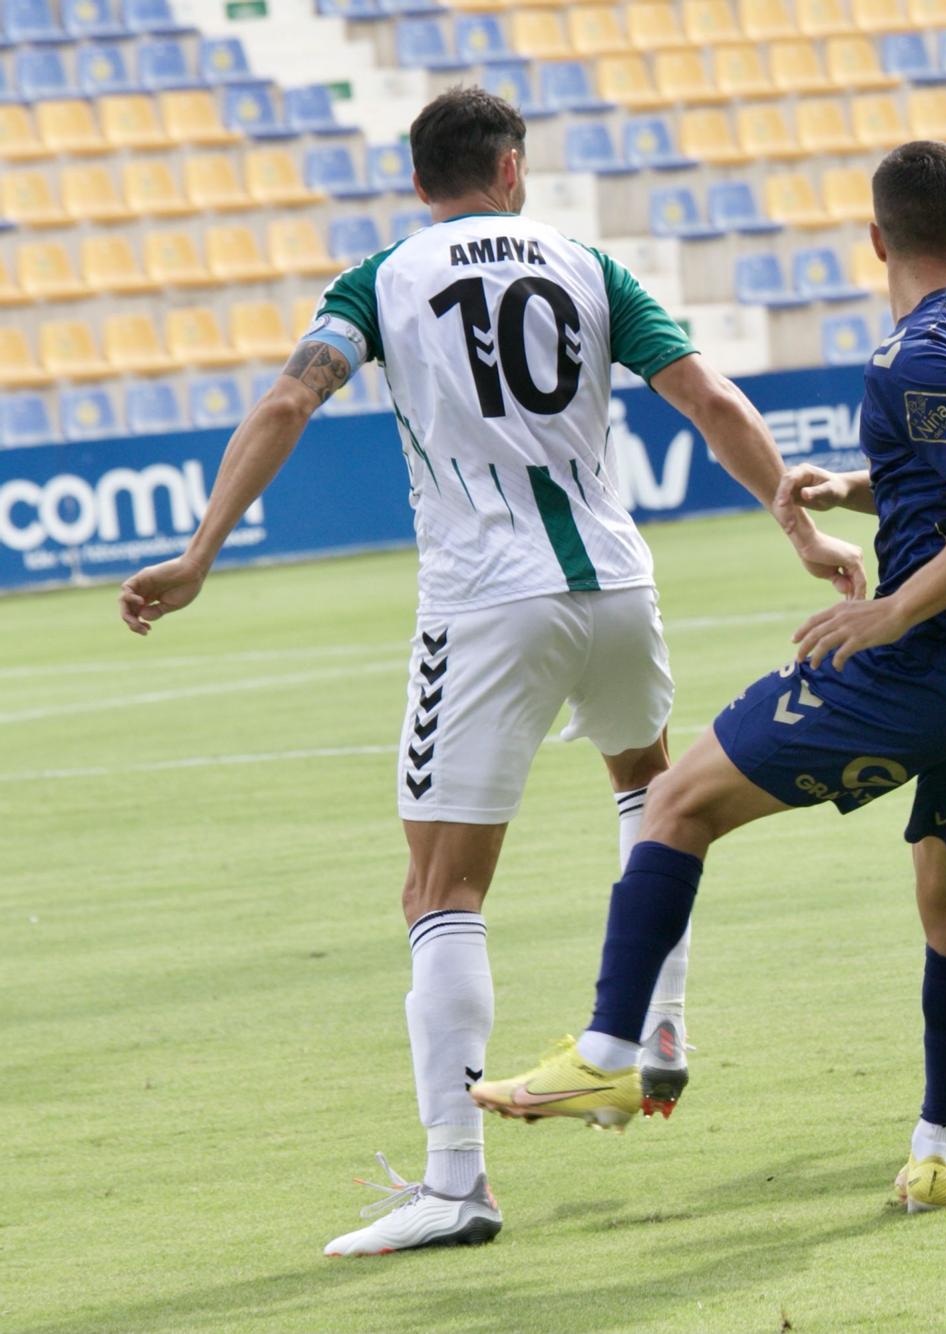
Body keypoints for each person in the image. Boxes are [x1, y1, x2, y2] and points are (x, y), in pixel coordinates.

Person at [115, 88, 865, 1256]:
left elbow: (288, 397)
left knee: (438, 889)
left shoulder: (382, 277)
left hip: (485, 601)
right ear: (512, 168)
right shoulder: (587, 265)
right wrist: (801, 529)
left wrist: (205, 548)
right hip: (617, 585)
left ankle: (455, 1179)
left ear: (420, 181)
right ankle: (658, 1030)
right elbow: (710, 398)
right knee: (651, 798)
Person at [472, 141, 946, 1213]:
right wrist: (858, 486)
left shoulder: (912, 356)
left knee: (671, 801)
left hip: (932, 665)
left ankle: (614, 1044)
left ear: (876, 240)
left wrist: (887, 609)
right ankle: (937, 1146)